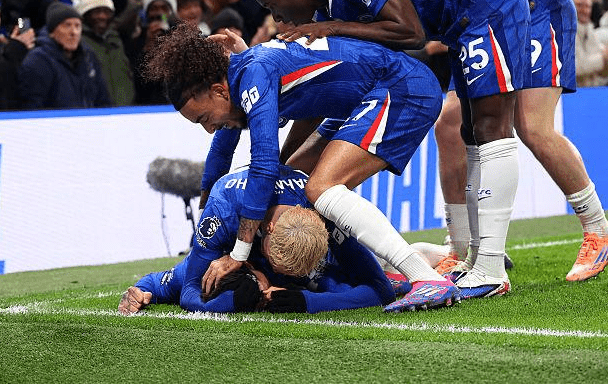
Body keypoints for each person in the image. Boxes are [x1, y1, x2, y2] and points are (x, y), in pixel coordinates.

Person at [250, 0, 530, 298]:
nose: (277, 18)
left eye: (272, 5)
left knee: (492, 126)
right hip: (457, 25)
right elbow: (315, 108)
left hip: (488, 3)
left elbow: (410, 33)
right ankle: (477, 259)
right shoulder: (332, 4)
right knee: (473, 132)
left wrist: (335, 28)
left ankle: (491, 268)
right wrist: (286, 166)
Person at [141, 23, 458, 313]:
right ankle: (434, 259)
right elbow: (221, 155)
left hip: (399, 88)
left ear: (218, 91)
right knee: (289, 182)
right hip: (363, 98)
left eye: (203, 119)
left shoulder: (253, 76)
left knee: (318, 188)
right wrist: (210, 217)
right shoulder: (240, 76)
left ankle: (426, 279)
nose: (209, 128)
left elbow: (263, 165)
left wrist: (238, 254)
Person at [398, 0, 608, 283]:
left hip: (535, 9)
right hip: (476, 22)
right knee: (449, 123)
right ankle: (464, 245)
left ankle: (599, 230)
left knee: (532, 126)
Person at [119, 165, 395, 315]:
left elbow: (381, 290)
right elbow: (183, 284)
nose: (275, 274)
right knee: (208, 279)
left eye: (286, 274)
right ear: (269, 228)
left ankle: (410, 264)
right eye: (275, 267)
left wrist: (306, 300)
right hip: (237, 239)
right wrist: (140, 292)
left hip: (309, 259)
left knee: (340, 284)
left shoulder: (328, 209)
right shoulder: (224, 210)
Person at [17, 1, 111, 109]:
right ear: (52, 32)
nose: (74, 32)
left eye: (77, 26)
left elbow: (103, 100)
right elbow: (32, 106)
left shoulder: (88, 57)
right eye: (67, 25)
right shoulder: (38, 60)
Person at [75, 0, 136, 106]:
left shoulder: (117, 40)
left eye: (106, 12)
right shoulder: (79, 43)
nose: (102, 16)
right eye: (97, 12)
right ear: (84, 14)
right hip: (97, 115)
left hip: (127, 113)